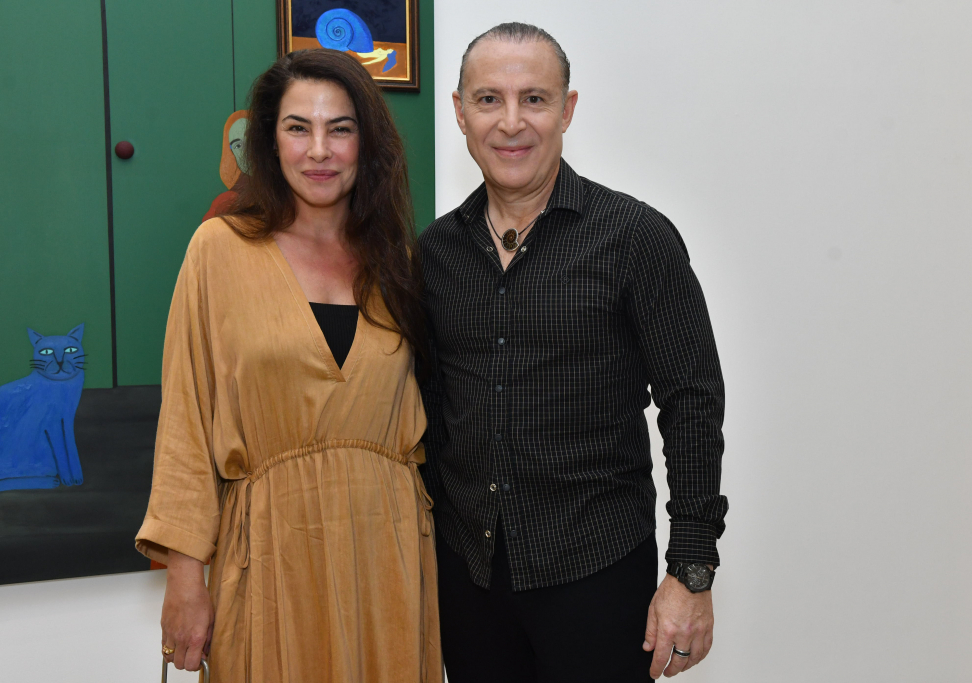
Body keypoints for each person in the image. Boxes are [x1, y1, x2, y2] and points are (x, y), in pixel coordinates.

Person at [418, 23, 727, 682]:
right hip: (469, 578)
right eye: (489, 99)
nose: (511, 122)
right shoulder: (434, 254)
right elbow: (431, 412)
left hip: (597, 573)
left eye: (534, 98)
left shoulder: (635, 237)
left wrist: (691, 572)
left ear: (567, 110)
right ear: (460, 112)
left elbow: (693, 404)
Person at [136, 49, 442, 683]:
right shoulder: (219, 250)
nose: (319, 150)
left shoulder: (399, 261)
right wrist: (185, 580)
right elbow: (186, 426)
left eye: (341, 129)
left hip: (388, 555)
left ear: (367, 143)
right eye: (298, 128)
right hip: (271, 553)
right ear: (270, 142)